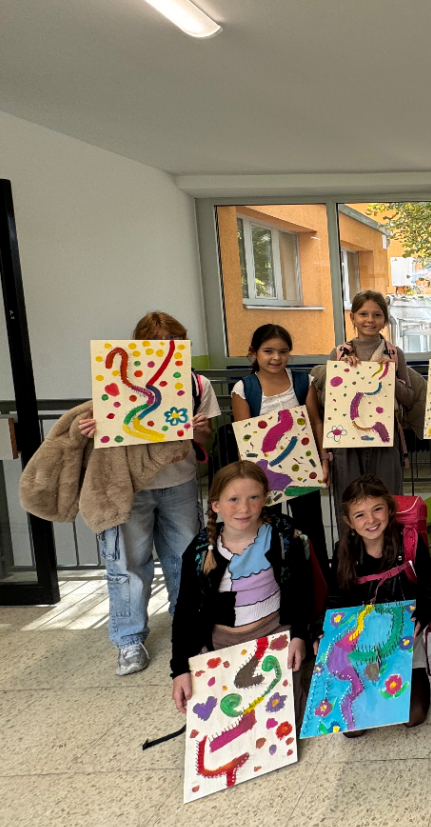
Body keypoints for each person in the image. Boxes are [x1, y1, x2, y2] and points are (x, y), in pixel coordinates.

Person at [79, 311, 218, 676]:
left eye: (174, 341)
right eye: (156, 342)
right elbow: (106, 429)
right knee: (128, 563)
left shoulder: (197, 384)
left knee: (185, 559)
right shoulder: (117, 380)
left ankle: (187, 627)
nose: (166, 348)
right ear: (139, 345)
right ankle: (128, 640)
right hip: (130, 486)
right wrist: (90, 428)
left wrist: (199, 429)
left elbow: (205, 439)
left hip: (180, 482)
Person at [169, 461, 312, 722]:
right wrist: (180, 669)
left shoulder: (284, 534)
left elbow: (301, 589)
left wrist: (299, 636)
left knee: (282, 719)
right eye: (233, 499)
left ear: (265, 499)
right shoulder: (201, 550)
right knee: (225, 721)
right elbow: (186, 610)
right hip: (222, 641)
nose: (244, 508)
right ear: (216, 505)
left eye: (253, 497)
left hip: (275, 633)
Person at [329, 474, 431, 733]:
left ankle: (414, 675)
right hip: (363, 644)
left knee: (413, 716)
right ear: (349, 522)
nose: (371, 520)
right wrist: (323, 633)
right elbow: (336, 598)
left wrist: (422, 617)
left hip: (405, 641)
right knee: (352, 727)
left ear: (389, 510)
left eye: (377, 509)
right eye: (360, 515)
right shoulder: (343, 551)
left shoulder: (409, 541)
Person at [230, 323, 329, 566]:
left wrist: (324, 460)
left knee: (311, 528)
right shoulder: (245, 388)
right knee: (267, 530)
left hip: (303, 469)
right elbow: (244, 437)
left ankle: (318, 581)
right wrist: (246, 479)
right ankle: (272, 581)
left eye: (283, 351)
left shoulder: (303, 381)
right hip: (261, 474)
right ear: (253, 352)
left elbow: (316, 422)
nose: (276, 357)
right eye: (268, 351)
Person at [316, 290, 414, 498]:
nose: (370, 320)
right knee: (349, 497)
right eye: (363, 314)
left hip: (384, 435)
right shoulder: (339, 353)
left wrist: (390, 377)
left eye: (377, 315)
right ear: (352, 317)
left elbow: (409, 398)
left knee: (386, 496)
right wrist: (341, 376)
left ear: (385, 320)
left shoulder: (394, 354)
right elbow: (327, 401)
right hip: (346, 436)